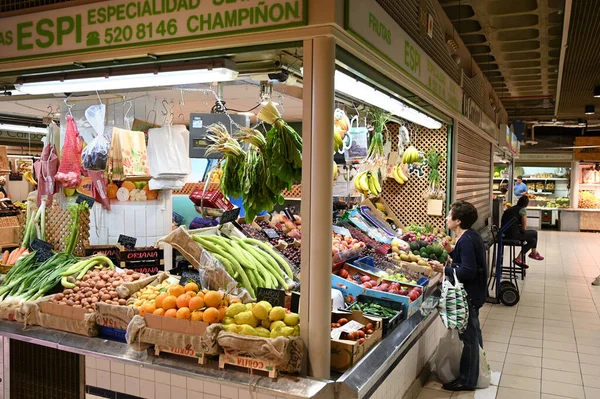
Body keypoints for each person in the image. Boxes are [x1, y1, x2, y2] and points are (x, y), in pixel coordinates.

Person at [430, 201, 488, 391]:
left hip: (469, 296)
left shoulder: (467, 240)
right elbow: (465, 261)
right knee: (473, 336)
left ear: (458, 221)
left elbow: (468, 271)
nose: (446, 218)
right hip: (474, 294)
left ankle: (468, 380)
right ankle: (476, 373)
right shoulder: (469, 236)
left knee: (469, 339)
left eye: (449, 215)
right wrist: (451, 252)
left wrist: (443, 269)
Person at [500, 195, 543, 268]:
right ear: (526, 204)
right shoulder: (522, 210)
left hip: (504, 233)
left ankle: (519, 258)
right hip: (513, 235)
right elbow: (524, 226)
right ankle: (533, 253)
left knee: (533, 240)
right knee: (534, 233)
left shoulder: (511, 209)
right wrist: (521, 230)